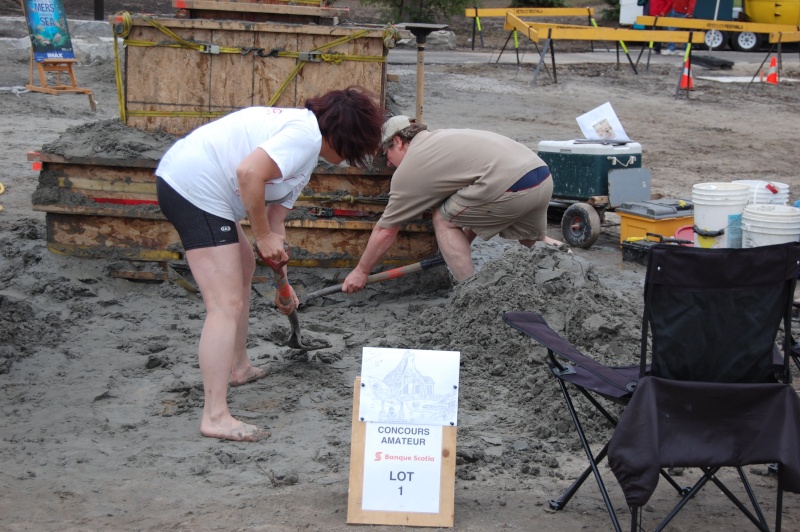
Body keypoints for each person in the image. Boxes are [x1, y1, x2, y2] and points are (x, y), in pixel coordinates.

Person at [155, 87, 384, 442]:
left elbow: (275, 224)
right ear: (346, 135)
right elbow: (249, 174)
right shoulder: (305, 136)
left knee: (244, 269)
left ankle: (239, 367)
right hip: (192, 186)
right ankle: (215, 416)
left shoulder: (305, 157)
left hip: (205, 190)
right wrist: (260, 237)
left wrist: (284, 283)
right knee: (224, 304)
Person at [342, 116, 565, 293]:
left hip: (511, 187)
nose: (389, 164)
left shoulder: (412, 166)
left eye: (386, 155)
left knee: (443, 217)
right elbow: (470, 208)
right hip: (541, 177)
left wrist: (361, 271)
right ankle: (574, 272)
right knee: (533, 239)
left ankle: (471, 293)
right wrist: (460, 246)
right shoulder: (442, 140)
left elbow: (387, 230)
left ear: (398, 141)